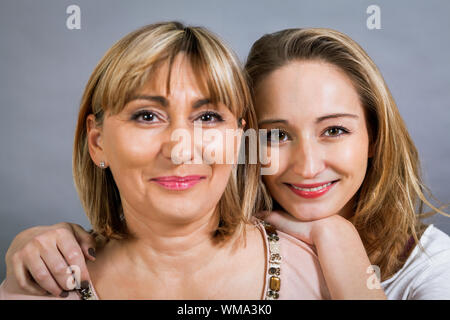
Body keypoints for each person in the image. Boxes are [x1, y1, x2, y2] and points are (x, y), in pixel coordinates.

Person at [0, 22, 332, 300]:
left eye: (207, 117)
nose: (179, 149)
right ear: (97, 142)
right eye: (147, 116)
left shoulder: (323, 274)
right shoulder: (40, 284)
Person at [245, 28, 450, 299]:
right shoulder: (214, 258)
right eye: (277, 135)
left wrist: (338, 239)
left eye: (334, 131)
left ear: (374, 137)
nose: (308, 168)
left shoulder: (435, 268)